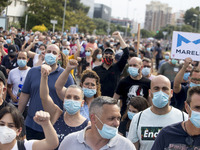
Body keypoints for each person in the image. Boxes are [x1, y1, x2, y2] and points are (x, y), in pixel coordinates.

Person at [18, 44, 74, 140]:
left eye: (54, 53)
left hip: (54, 126)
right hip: (32, 125)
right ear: (44, 53)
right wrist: (18, 116)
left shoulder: (65, 76)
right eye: (48, 52)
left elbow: (70, 99)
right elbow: (24, 94)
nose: (51, 54)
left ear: (59, 56)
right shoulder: (33, 71)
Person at [127, 75, 188, 150]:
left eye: (165, 89)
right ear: (150, 92)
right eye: (156, 89)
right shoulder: (138, 118)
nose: (160, 92)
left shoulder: (183, 118)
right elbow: (132, 147)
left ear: (171, 93)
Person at [58, 96, 136, 150]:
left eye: (118, 118)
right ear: (93, 118)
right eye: (111, 118)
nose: (117, 123)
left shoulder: (126, 146)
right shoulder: (69, 142)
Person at [40, 63, 89, 146]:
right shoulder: (56, 114)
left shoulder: (88, 126)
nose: (72, 100)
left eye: (76, 98)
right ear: (64, 100)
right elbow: (44, 97)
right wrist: (44, 77)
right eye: (68, 97)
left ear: (82, 103)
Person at [93, 31, 129, 97]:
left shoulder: (118, 67)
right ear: (103, 56)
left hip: (113, 100)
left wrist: (119, 37)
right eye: (106, 53)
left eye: (111, 54)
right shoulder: (96, 69)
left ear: (114, 56)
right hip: (100, 99)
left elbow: (126, 53)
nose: (108, 55)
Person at [7, 51, 30, 116]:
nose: (21, 60)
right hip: (14, 104)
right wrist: (12, 95)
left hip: (27, 104)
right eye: (19, 58)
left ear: (27, 60)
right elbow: (8, 87)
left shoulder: (31, 72)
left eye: (23, 58)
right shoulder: (12, 72)